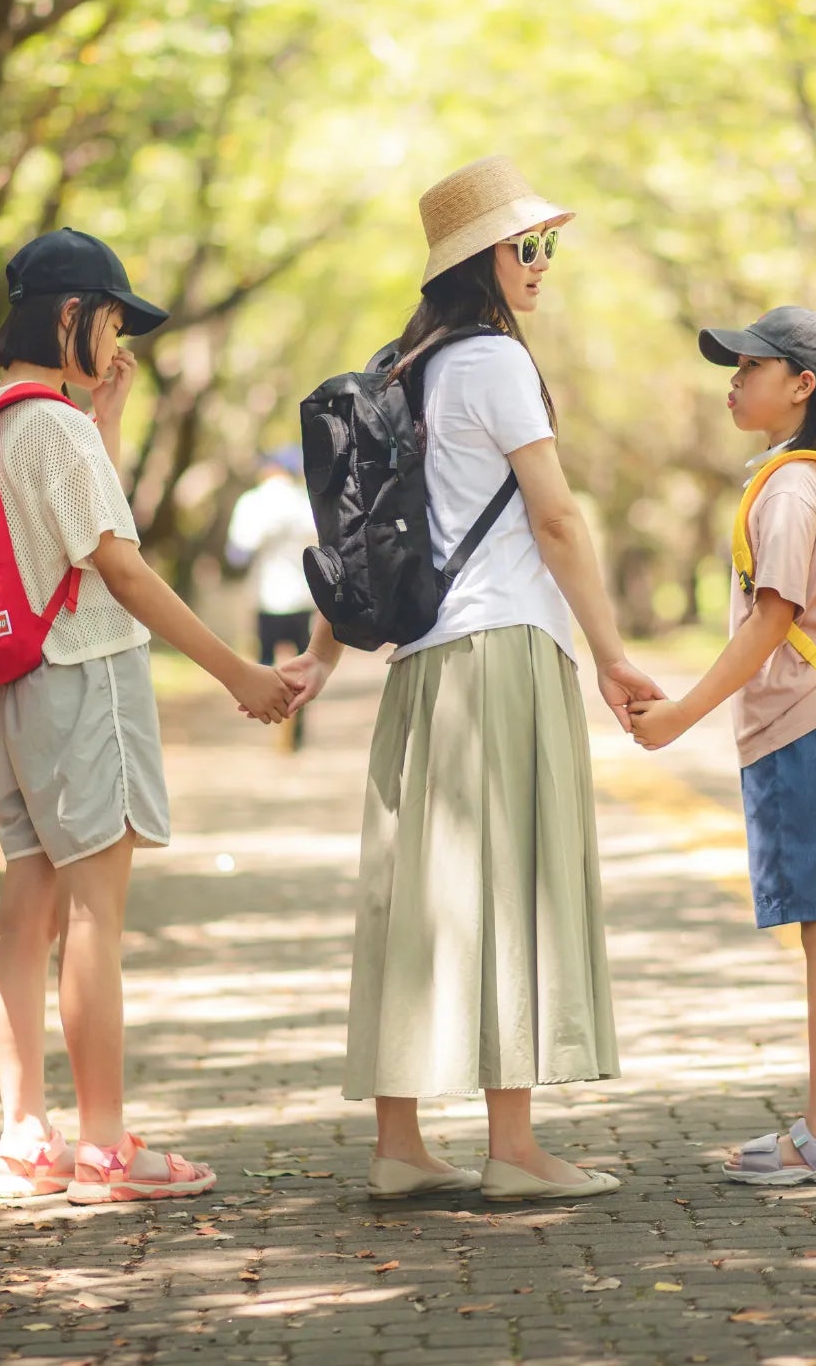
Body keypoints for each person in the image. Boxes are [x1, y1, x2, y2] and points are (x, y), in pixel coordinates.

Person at [278, 157, 663, 1202]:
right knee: (513, 885)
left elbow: (360, 535)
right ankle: (514, 1149)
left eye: (546, 244)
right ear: (480, 261)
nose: (541, 263)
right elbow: (557, 518)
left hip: (423, 670)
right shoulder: (493, 362)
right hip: (501, 652)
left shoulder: (406, 366)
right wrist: (614, 654)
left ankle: (399, 1144)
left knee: (414, 895)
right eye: (525, 246)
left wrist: (317, 662)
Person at [0, 227, 292, 1205]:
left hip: (24, 688)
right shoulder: (55, 430)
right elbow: (120, 569)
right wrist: (239, 671)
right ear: (71, 315)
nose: (118, 343)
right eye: (111, 321)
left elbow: (73, 543)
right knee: (94, 919)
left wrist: (102, 418)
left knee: (25, 917)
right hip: (86, 680)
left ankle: (26, 1137)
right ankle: (106, 1147)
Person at [629, 306, 816, 1186]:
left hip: (806, 725)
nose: (733, 380)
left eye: (751, 366)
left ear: (802, 385)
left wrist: (681, 714)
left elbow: (772, 621)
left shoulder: (790, 486)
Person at [225, 447, 317, 748]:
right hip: (302, 597)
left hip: (266, 597)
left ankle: (270, 721)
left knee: (266, 664)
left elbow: (236, 554)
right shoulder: (305, 501)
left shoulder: (252, 502)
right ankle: (297, 726)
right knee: (304, 665)